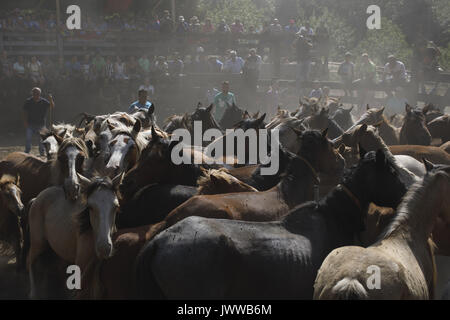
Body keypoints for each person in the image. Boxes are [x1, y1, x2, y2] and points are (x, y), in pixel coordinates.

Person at [22, 87, 54, 156]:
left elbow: (52, 106)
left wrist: (51, 99)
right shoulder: (28, 101)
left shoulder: (43, 101)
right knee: (28, 138)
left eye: (37, 93)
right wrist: (25, 122)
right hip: (30, 124)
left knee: (41, 140)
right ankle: (27, 151)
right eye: (34, 93)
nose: (36, 95)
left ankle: (42, 153)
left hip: (41, 124)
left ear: (39, 94)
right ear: (32, 93)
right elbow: (24, 112)